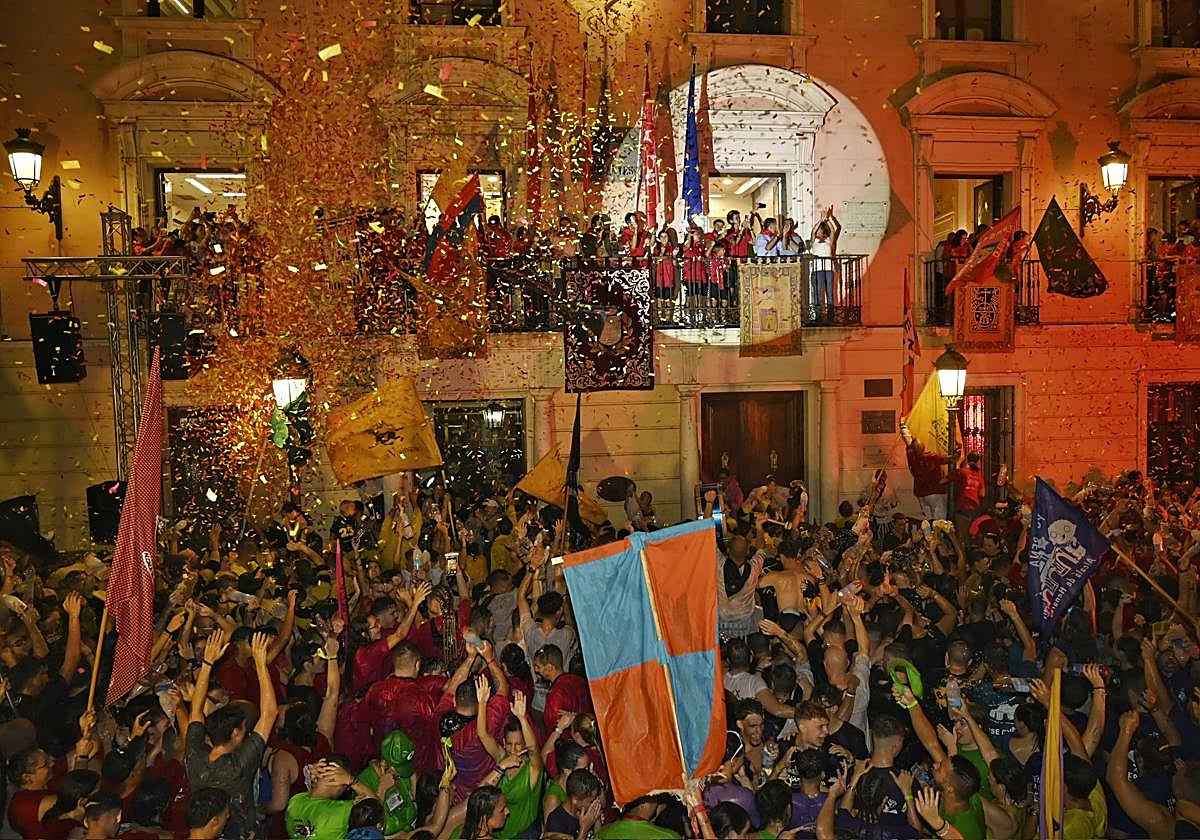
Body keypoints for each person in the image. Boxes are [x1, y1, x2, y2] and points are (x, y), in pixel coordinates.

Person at [183, 629, 278, 840]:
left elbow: (196, 710)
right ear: (236, 733)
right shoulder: (237, 766)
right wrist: (261, 665)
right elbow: (270, 714)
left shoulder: (194, 756)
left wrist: (207, 663)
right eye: (244, 728)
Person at [808, 207, 841, 323]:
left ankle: (830, 315)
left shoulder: (828, 241)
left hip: (828, 268)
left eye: (820, 230)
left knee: (829, 292)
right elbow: (812, 232)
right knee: (818, 292)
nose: (818, 232)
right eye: (818, 230)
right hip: (817, 269)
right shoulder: (814, 241)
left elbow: (832, 230)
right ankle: (818, 314)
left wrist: (827, 220)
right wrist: (820, 220)